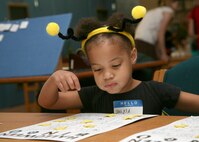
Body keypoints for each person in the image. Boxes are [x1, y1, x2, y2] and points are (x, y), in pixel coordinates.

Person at [38, 12, 199, 115]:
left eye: (115, 65)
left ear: (132, 56)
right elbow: (48, 102)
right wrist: (54, 79)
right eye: (98, 69)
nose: (107, 75)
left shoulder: (156, 91)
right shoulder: (92, 95)